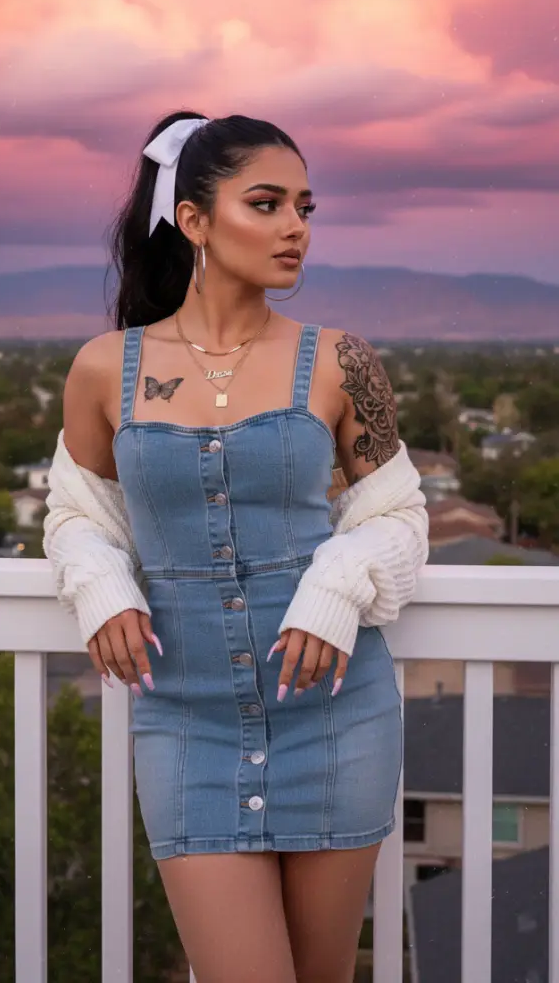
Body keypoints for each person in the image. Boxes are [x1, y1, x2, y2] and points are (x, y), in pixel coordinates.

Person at [43, 111, 429, 983]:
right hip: (186, 720)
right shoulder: (107, 368)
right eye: (267, 203)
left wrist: (336, 585)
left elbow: (396, 516)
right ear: (194, 219)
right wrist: (103, 583)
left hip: (336, 715)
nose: (296, 226)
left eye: (306, 206)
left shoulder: (340, 361)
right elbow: (75, 513)